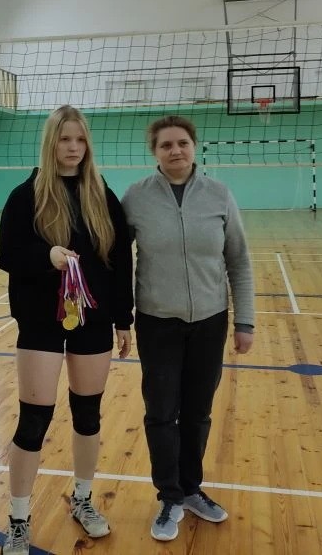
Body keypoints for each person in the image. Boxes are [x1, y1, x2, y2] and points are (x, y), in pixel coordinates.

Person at [0, 105, 134, 555]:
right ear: (51, 142)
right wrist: (46, 256)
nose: (73, 147)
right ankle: (19, 520)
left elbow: (120, 260)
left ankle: (83, 499)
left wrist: (123, 318)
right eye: (64, 139)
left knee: (88, 415)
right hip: (41, 322)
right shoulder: (26, 195)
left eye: (80, 139)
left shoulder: (102, 195)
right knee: (34, 419)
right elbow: (6, 255)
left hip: (93, 321)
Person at [121, 115, 255, 542]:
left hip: (210, 321)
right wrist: (120, 317)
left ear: (194, 146)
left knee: (198, 412)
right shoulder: (136, 198)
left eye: (182, 143)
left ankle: (192, 489)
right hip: (157, 322)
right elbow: (117, 259)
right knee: (161, 412)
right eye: (166, 145)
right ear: (155, 152)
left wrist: (245, 321)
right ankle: (169, 495)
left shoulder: (219, 195)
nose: (175, 150)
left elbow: (238, 260)